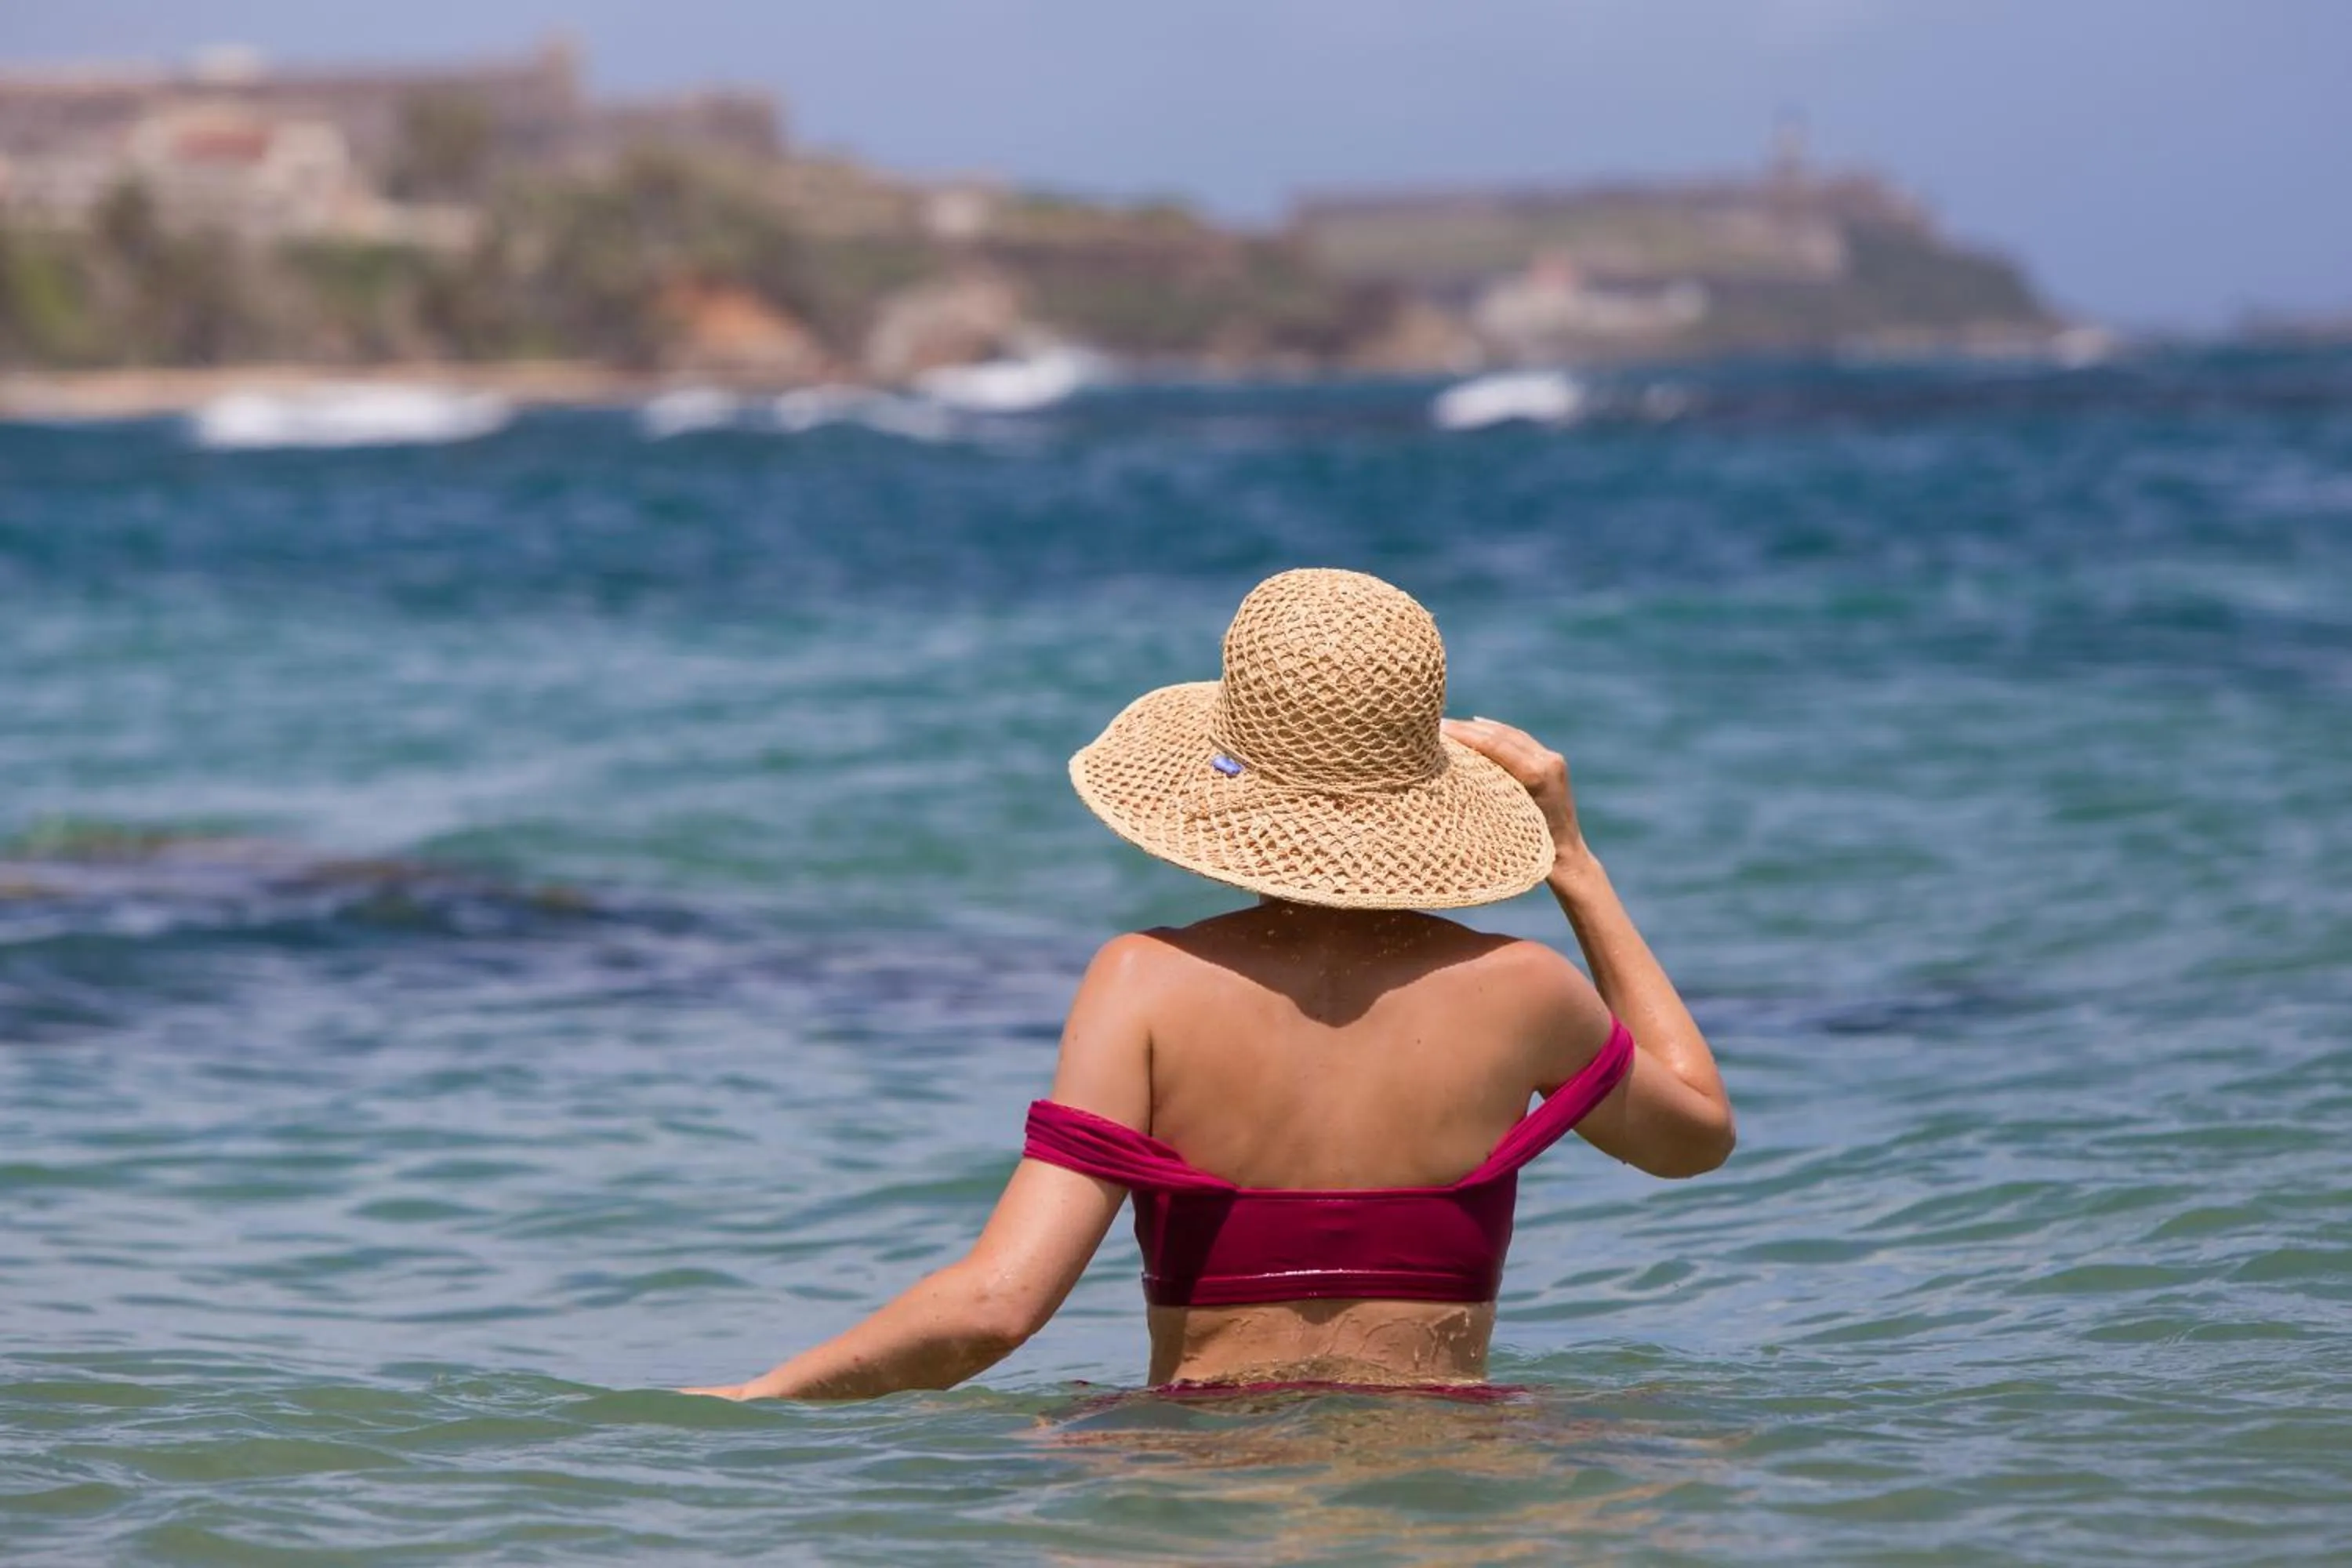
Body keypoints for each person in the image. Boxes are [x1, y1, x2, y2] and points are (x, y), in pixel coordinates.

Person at [684, 568, 1733, 1399]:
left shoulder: (1143, 984)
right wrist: (1577, 868)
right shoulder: (1525, 990)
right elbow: (1694, 1138)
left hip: (1206, 1480)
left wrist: (761, 1400)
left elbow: (992, 1312)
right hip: (1456, 1484)